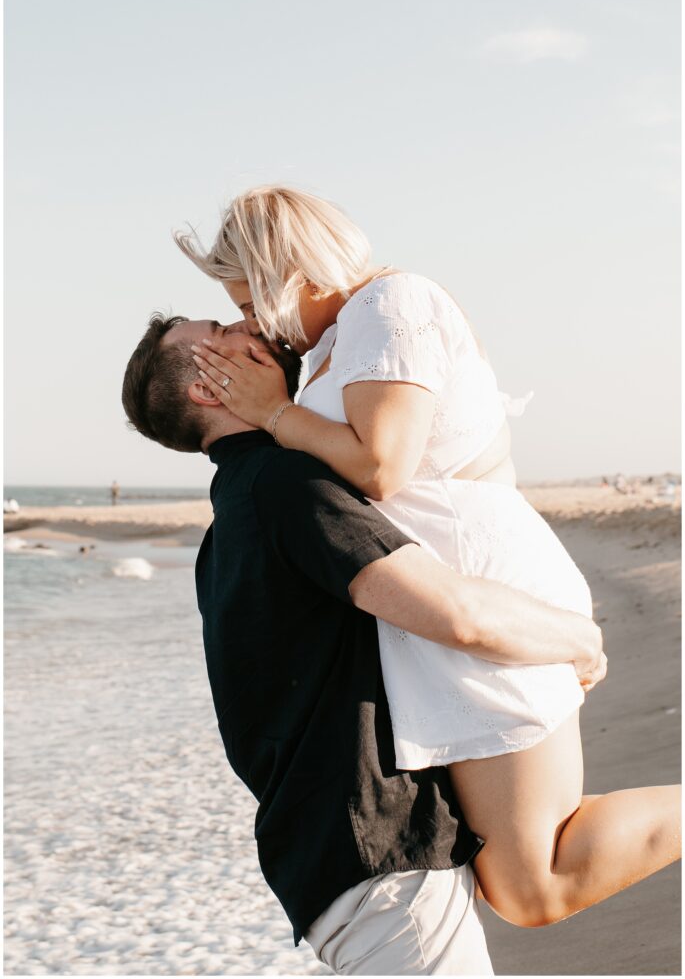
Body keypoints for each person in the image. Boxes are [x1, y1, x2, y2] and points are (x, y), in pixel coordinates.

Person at [176, 184, 681, 930]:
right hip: (435, 607)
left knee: (532, 883)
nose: (253, 322)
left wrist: (274, 414)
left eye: (251, 303)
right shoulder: (338, 341)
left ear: (293, 273)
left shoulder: (391, 305)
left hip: (478, 589)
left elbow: (382, 466)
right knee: (514, 878)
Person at [122, 315, 605, 975]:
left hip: (341, 865)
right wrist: (576, 641)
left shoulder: (228, 528)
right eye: (217, 330)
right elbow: (453, 612)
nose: (244, 322)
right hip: (380, 868)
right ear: (209, 386)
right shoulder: (282, 488)